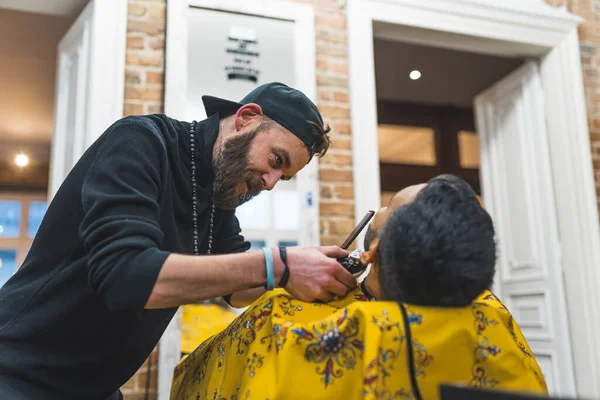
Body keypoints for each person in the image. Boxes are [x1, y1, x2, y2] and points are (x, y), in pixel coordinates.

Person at [0, 82, 356, 399]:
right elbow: (125, 277)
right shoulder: (141, 141)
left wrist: (317, 271)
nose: (272, 182)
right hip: (19, 370)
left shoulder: (219, 192)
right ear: (246, 117)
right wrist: (281, 266)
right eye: (275, 160)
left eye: (284, 176)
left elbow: (238, 290)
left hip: (95, 387)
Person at [171, 175, 547, 400]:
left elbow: (197, 380)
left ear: (372, 252)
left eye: (388, 205)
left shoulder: (288, 322)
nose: (379, 208)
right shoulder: (491, 320)